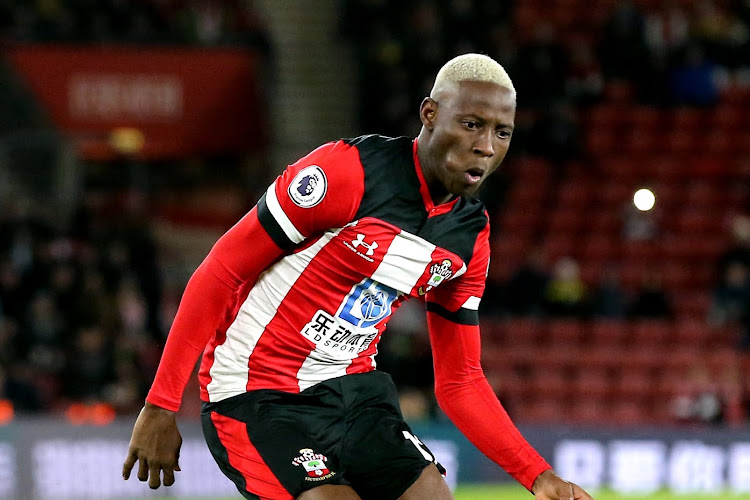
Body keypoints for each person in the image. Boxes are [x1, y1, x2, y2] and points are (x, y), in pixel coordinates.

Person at [122, 53, 593, 500]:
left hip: (354, 392)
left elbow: (460, 380)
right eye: (471, 124)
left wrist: (539, 476)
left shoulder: (469, 238)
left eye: (502, 132)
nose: (485, 146)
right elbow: (220, 270)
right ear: (429, 114)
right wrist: (162, 403)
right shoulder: (346, 173)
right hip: (257, 393)